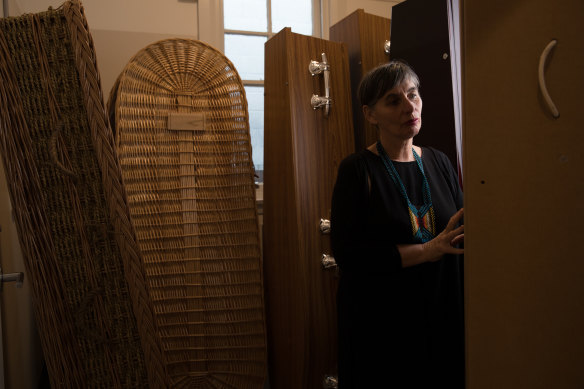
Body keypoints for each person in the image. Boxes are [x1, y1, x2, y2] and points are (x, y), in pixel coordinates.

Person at [330, 60, 465, 388]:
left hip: (443, 313)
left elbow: (461, 229)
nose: (409, 106)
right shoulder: (357, 170)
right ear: (370, 114)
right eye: (393, 100)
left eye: (413, 95)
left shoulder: (439, 161)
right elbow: (350, 256)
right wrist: (429, 249)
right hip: (384, 326)